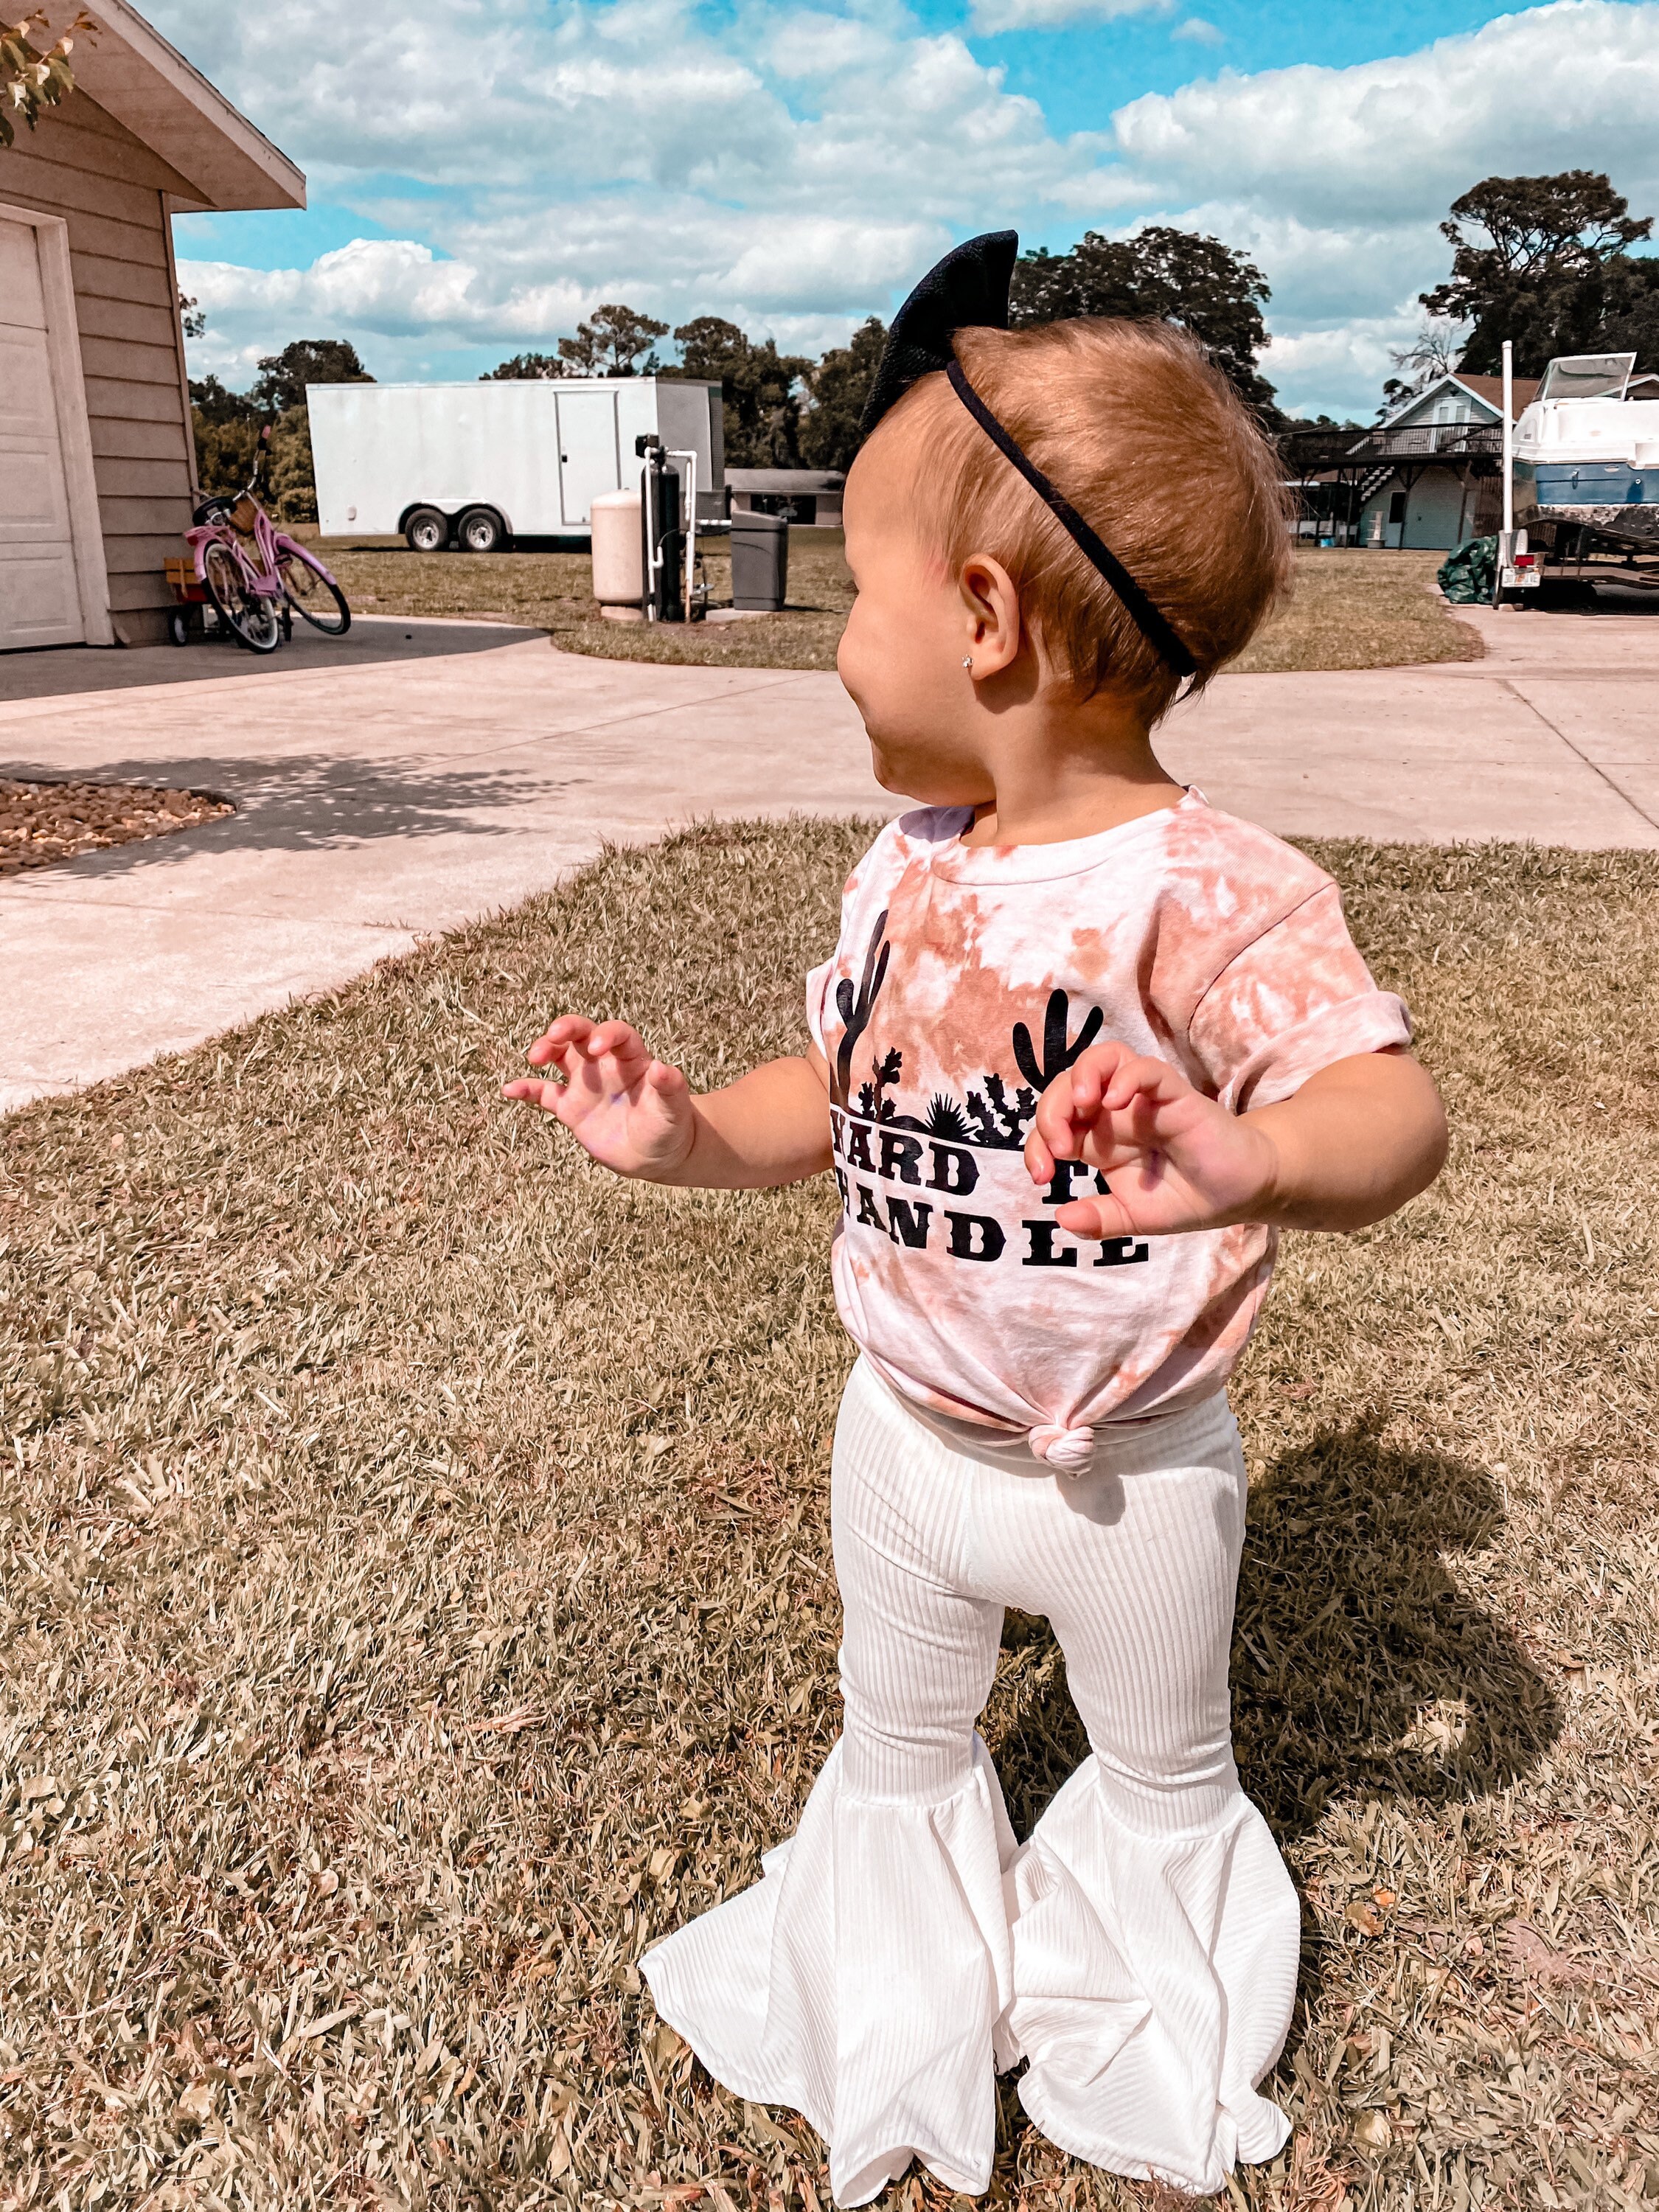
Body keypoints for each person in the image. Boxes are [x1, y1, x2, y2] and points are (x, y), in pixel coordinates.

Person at [503, 234, 1448, 2205]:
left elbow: (1389, 1109)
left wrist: (1252, 1155)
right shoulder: (898, 870)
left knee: (1159, 1770)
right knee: (905, 1749)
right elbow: (826, 1107)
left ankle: (1134, 2015)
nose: (841, 638)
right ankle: (899, 2001)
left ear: (989, 618)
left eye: (858, 593)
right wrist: (680, 1136)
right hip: (904, 1444)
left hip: (1137, 1480)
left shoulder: (1214, 888)